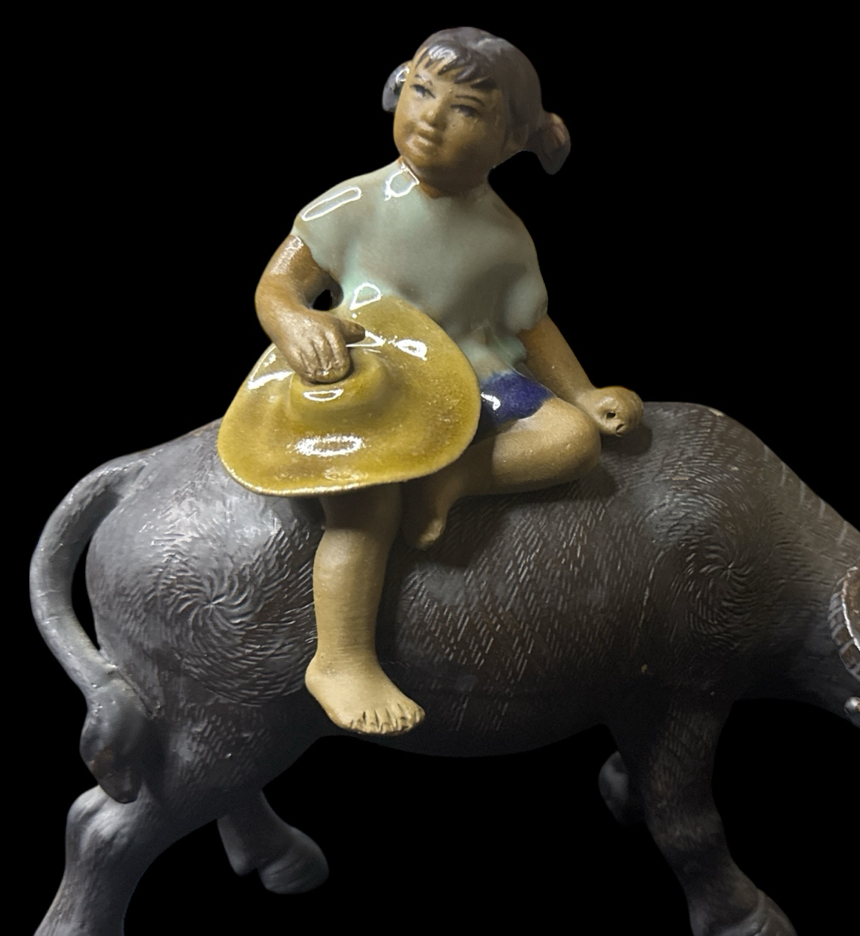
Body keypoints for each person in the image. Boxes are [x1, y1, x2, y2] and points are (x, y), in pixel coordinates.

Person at [252, 28, 642, 736]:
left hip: (477, 376)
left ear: (513, 138)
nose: (430, 117)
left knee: (571, 441)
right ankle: (339, 658)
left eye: (465, 109)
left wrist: (583, 394)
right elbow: (279, 285)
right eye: (421, 91)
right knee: (365, 505)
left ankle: (455, 478)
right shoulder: (353, 203)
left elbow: (530, 327)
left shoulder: (504, 234)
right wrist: (294, 322)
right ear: (398, 89)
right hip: (379, 377)